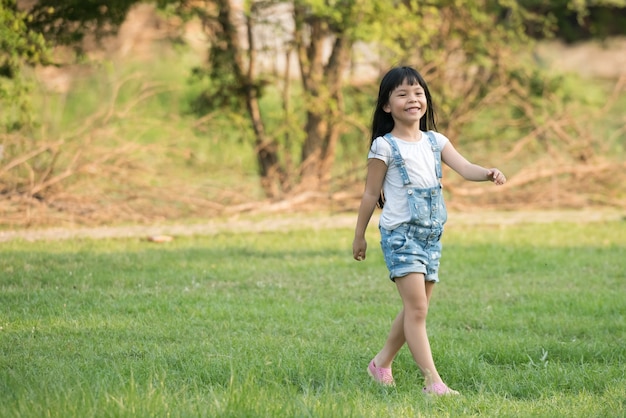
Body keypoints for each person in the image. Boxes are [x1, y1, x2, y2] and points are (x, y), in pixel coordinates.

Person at [352, 66, 507, 396]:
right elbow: (369, 193)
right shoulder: (384, 147)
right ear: (386, 106)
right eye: (403, 94)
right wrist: (359, 234)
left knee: (415, 308)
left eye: (419, 92)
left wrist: (488, 172)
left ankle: (380, 364)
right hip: (400, 235)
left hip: (431, 236)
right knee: (418, 309)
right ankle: (433, 382)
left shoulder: (436, 141)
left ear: (427, 100)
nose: (413, 99)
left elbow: (465, 168)